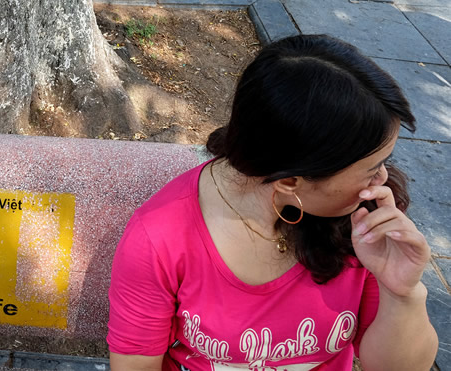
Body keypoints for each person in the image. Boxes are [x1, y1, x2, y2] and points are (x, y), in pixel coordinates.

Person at [107, 35, 438, 371]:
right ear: (290, 181)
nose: (382, 180)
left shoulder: (364, 221)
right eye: (371, 169)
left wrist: (402, 294)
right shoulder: (160, 238)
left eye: (384, 161)